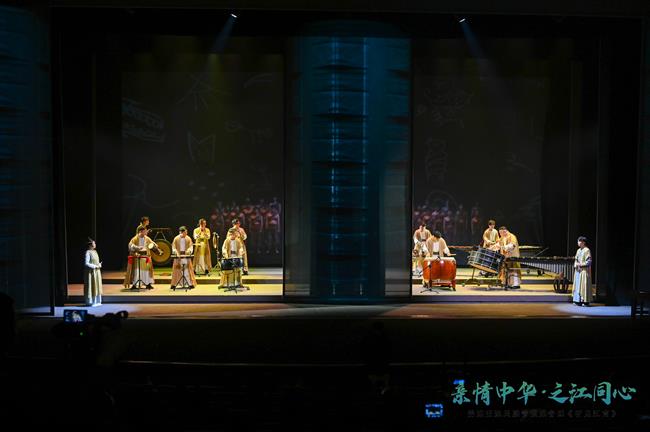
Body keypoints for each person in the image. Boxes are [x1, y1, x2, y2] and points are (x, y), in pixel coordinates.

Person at [124, 225, 161, 289]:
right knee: (137, 272)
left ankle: (147, 284)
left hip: (146, 257)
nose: (146, 232)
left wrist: (155, 245)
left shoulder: (147, 238)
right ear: (140, 231)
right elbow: (130, 247)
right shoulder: (134, 239)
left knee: (146, 272)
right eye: (144, 231)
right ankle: (135, 284)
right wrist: (136, 251)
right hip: (138, 258)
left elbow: (152, 243)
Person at [573, 236, 593, 306]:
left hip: (584, 270)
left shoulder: (587, 250)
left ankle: (585, 301)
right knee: (577, 285)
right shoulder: (578, 250)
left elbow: (589, 261)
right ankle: (577, 300)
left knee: (584, 285)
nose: (578, 242)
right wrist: (576, 265)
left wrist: (581, 264)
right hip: (578, 271)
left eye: (579, 241)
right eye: (578, 241)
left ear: (583, 242)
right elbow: (576, 260)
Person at [84, 238, 103, 306]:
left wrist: (99, 265)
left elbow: (96, 261)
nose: (95, 244)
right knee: (92, 285)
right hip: (91, 272)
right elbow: (86, 263)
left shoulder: (95, 252)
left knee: (97, 285)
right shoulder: (88, 252)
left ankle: (97, 301)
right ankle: (92, 302)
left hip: (97, 272)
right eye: (94, 243)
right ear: (90, 245)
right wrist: (95, 266)